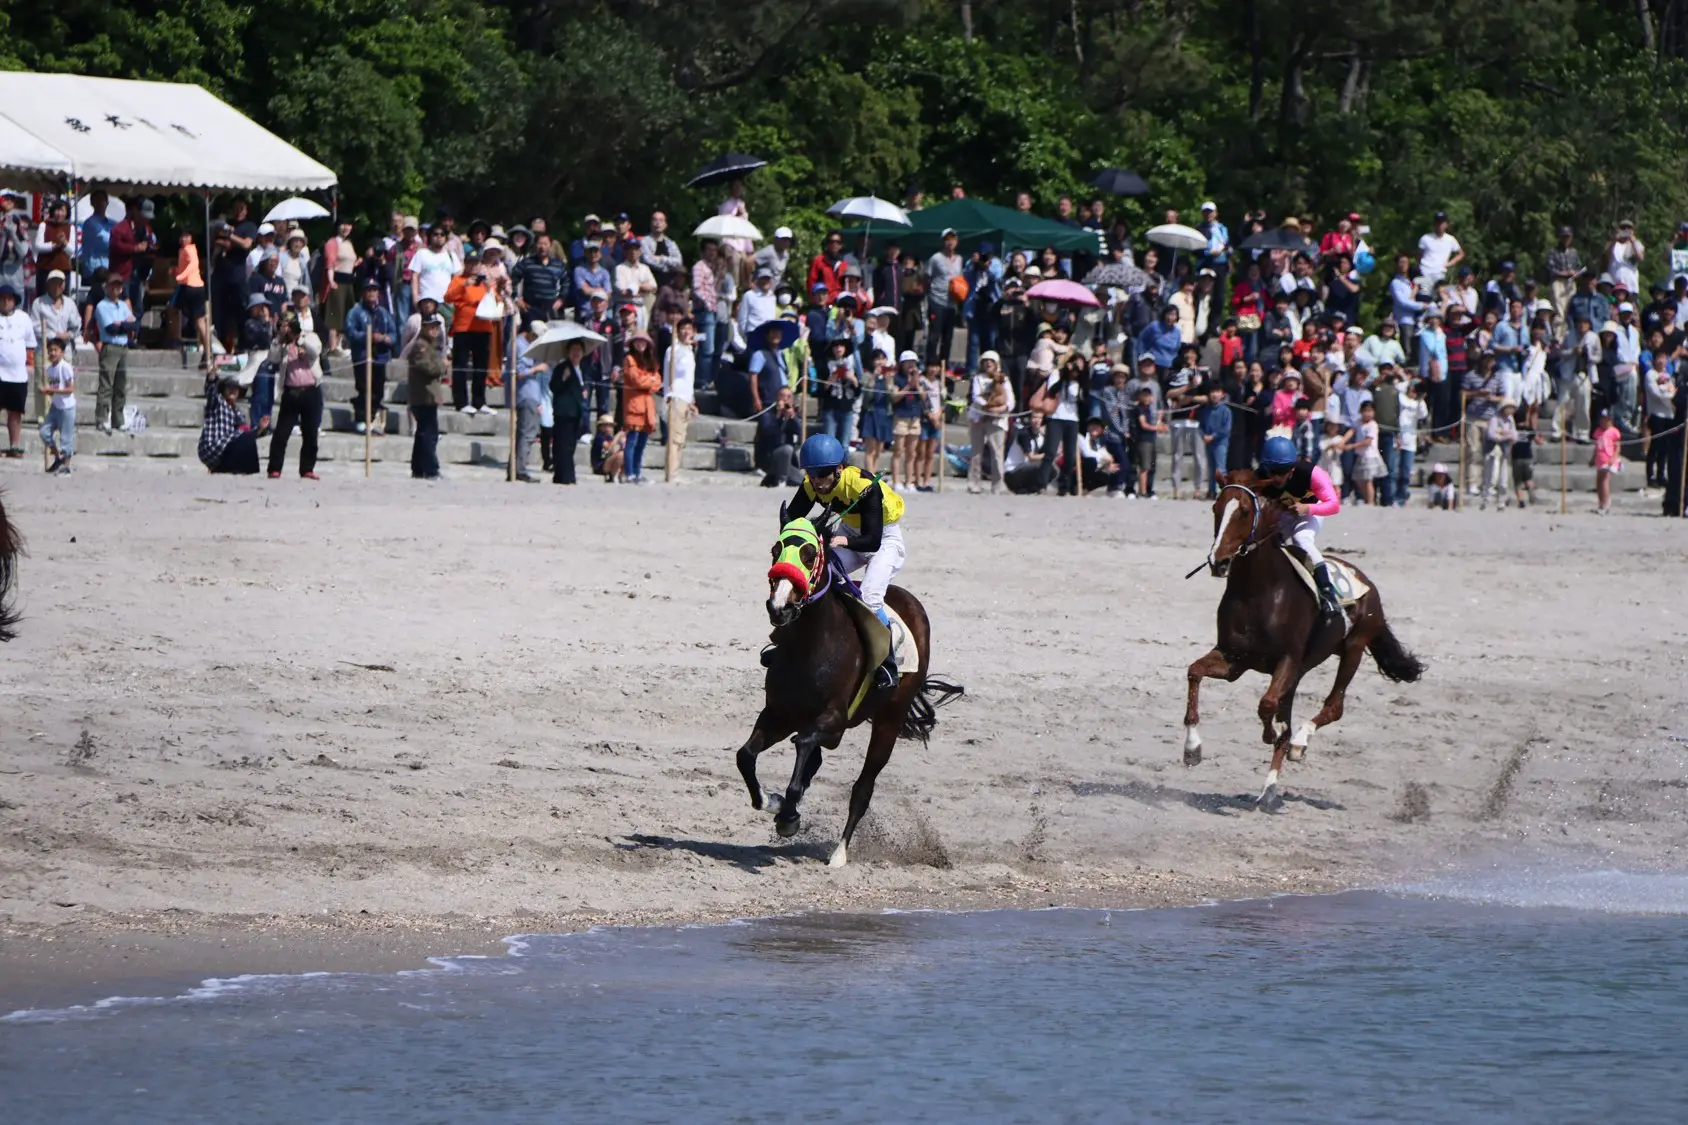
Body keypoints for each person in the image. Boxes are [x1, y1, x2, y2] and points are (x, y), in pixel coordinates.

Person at [783, 432, 908, 683]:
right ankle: (793, 643)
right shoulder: (812, 484)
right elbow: (793, 520)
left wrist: (842, 541)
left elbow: (872, 540)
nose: (816, 482)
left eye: (822, 476)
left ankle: (887, 663)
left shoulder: (864, 486)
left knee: (871, 598)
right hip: (850, 533)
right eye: (811, 475)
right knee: (817, 579)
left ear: (839, 469)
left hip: (883, 539)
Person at [1254, 434, 1344, 619]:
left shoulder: (1312, 473)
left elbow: (1334, 505)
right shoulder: (1261, 476)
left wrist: (1307, 508)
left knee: (1301, 539)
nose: (1277, 478)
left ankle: (1328, 595)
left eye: (1282, 471)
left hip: (1312, 511)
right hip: (1284, 513)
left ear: (1292, 467)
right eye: (1272, 471)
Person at [265, 313, 324, 480]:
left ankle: (307, 469)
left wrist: (299, 339)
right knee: (281, 433)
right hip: (291, 391)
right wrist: (279, 338)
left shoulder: (310, 337)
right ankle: (274, 468)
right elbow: (272, 358)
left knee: (310, 433)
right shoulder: (282, 344)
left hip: (310, 390)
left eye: (290, 325)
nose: (288, 329)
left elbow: (316, 351)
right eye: (285, 325)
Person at [344, 279, 397, 435]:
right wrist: (368, 336)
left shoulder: (384, 312)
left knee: (377, 391)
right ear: (363, 293)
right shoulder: (355, 311)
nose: (372, 293)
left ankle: (373, 420)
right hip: (362, 357)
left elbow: (394, 333)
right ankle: (361, 420)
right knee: (363, 389)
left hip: (380, 358)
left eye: (374, 290)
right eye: (369, 290)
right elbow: (350, 332)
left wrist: (386, 338)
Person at [444, 251, 495, 413]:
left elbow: (495, 300)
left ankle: (480, 401)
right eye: (470, 262)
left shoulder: (485, 282)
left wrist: (488, 287)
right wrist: (464, 285)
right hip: (463, 328)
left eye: (476, 263)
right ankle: (461, 402)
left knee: (481, 366)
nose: (473, 266)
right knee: (460, 365)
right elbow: (447, 297)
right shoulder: (458, 280)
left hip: (483, 328)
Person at [91, 273, 136, 435]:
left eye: (119, 286)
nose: (116, 289)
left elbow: (134, 325)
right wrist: (124, 324)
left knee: (120, 385)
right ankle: (102, 418)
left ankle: (119, 419)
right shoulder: (101, 306)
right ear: (107, 287)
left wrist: (122, 325)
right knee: (106, 385)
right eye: (113, 285)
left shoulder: (123, 305)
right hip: (110, 346)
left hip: (123, 347)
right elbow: (111, 328)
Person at [967, 351, 1014, 494]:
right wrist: (987, 407)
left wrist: (1000, 409)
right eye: (986, 361)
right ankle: (973, 484)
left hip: (997, 419)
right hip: (979, 416)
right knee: (976, 452)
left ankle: (998, 485)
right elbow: (976, 397)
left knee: (997, 453)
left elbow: (1011, 401)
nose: (988, 364)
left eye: (991, 361)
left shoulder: (1004, 379)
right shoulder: (977, 378)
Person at [198, 373, 259, 475]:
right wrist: (211, 379)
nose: (232, 390)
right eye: (229, 387)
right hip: (211, 446)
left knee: (248, 440)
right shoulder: (218, 402)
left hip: (224, 448)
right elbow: (210, 392)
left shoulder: (239, 414)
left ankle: (227, 469)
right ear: (223, 390)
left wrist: (261, 428)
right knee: (244, 437)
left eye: (235, 388)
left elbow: (247, 433)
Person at [549, 339, 589, 485]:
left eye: (579, 350)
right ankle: (566, 476)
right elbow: (553, 386)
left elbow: (581, 387)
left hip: (576, 412)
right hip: (563, 412)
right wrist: (563, 378)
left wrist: (583, 392)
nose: (576, 353)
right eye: (573, 350)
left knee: (570, 445)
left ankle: (562, 475)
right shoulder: (562, 367)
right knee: (562, 445)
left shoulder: (582, 368)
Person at [511, 320, 546, 483]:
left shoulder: (529, 346)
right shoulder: (519, 345)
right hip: (525, 394)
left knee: (524, 434)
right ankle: (520, 469)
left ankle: (516, 467)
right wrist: (536, 369)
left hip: (532, 393)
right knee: (527, 434)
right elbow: (517, 372)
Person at [36, 336, 74, 473]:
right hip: (56, 406)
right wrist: (46, 392)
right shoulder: (50, 369)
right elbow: (55, 388)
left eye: (55, 350)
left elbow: (70, 389)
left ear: (62, 352)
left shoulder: (65, 367)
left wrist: (50, 390)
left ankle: (67, 466)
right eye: (50, 350)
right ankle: (58, 458)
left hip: (67, 407)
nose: (52, 353)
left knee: (66, 438)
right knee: (44, 432)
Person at [755, 386, 803, 487]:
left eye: (788, 397)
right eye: (782, 396)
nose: (785, 399)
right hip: (770, 456)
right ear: (777, 398)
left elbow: (800, 432)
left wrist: (792, 417)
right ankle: (782, 480)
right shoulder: (768, 413)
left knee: (803, 482)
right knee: (786, 449)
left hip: (787, 462)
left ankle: (773, 479)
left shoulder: (793, 414)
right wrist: (778, 415)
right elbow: (767, 432)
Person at [858, 349, 895, 476]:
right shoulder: (867, 376)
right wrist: (873, 378)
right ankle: (870, 477)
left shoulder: (889, 377)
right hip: (871, 413)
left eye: (883, 359)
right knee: (870, 450)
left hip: (884, 414)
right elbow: (866, 397)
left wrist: (889, 382)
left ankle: (873, 472)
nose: (880, 362)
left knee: (879, 450)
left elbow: (891, 396)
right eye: (877, 359)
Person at [915, 359, 944, 493]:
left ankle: (927, 481)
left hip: (937, 419)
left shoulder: (941, 383)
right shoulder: (921, 381)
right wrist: (930, 416)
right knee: (921, 452)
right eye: (931, 366)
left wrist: (939, 415)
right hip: (925, 420)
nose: (933, 369)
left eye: (935, 366)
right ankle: (917, 480)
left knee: (931, 453)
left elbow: (943, 401)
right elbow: (922, 400)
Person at [1590, 409, 1620, 515]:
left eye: (1606, 419)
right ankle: (1601, 502)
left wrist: (1613, 458)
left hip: (1608, 459)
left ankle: (1606, 504)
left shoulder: (1614, 432)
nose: (1603, 422)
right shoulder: (1598, 431)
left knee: (1604, 481)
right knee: (1599, 481)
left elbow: (1617, 447)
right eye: (1602, 419)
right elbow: (1596, 446)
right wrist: (1592, 458)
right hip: (1599, 458)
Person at [591, 414, 625, 482]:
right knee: (621, 455)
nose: (608, 428)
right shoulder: (599, 437)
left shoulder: (609, 437)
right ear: (600, 427)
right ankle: (613, 476)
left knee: (625, 454)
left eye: (610, 426)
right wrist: (617, 437)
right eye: (605, 425)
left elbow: (613, 451)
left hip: (607, 461)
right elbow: (608, 448)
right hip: (600, 465)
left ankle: (621, 475)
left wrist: (622, 444)